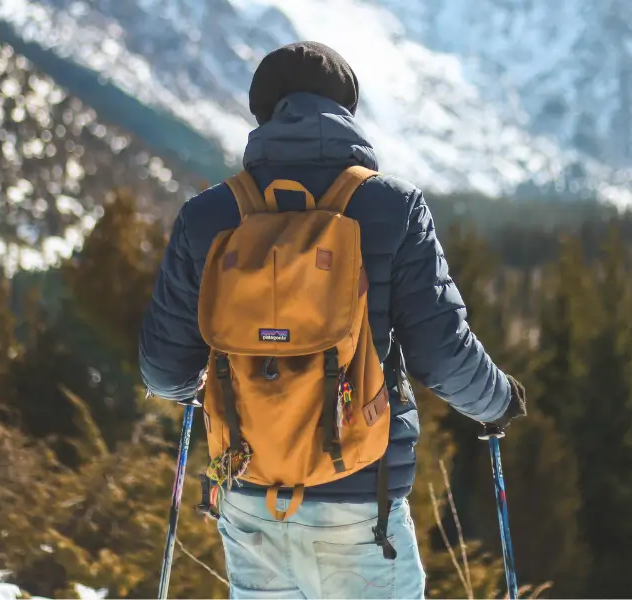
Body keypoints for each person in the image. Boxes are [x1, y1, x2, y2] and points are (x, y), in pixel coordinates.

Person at [138, 41, 526, 599]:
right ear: (346, 110)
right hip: (360, 499)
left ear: (262, 112)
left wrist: (204, 384)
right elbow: (441, 352)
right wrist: (497, 403)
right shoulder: (393, 207)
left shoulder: (209, 216)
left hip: (249, 494)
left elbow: (163, 371)